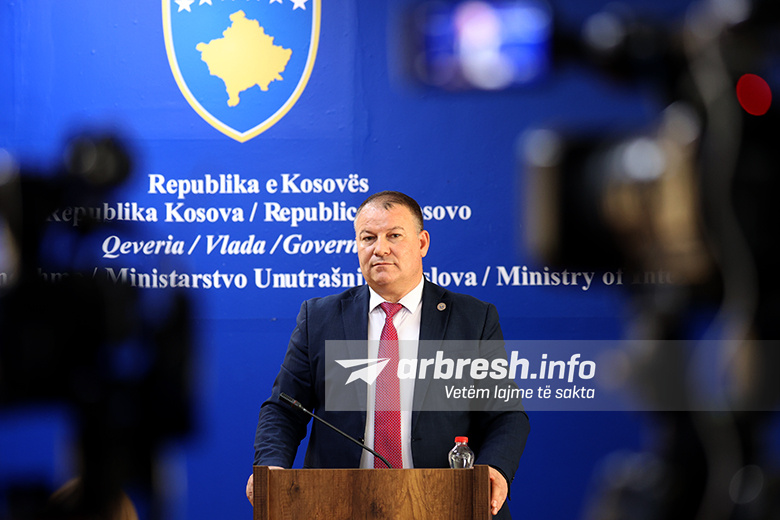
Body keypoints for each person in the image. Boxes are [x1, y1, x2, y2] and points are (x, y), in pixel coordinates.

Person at [246, 191, 529, 518]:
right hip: (338, 504)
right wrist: (272, 466)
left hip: (447, 502)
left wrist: (495, 468)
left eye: (394, 235)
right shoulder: (320, 318)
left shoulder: (472, 319)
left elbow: (506, 415)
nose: (380, 249)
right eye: (368, 238)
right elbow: (284, 409)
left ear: (422, 243)